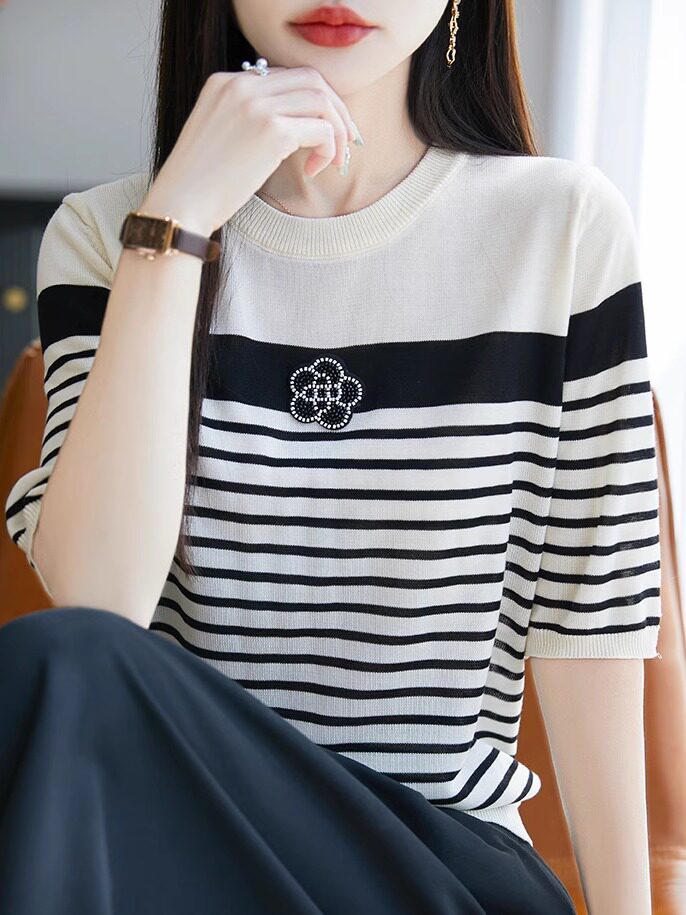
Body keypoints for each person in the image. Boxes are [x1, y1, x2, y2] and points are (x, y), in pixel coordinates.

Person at [1, 1, 661, 912]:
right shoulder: (111, 232)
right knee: (59, 659)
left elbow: (589, 624)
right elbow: (98, 600)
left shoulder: (561, 227)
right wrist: (178, 223)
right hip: (200, 857)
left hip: (436, 866)